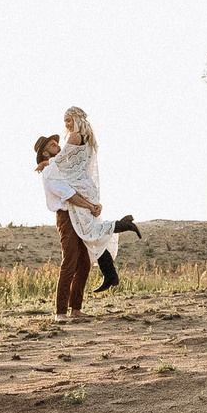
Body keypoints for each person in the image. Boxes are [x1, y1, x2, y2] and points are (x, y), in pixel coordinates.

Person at [36, 107, 141, 317]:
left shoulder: (65, 167)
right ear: (46, 153)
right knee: (70, 262)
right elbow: (70, 195)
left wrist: (92, 203)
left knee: (84, 262)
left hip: (80, 211)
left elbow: (78, 173)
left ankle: (76, 310)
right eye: (53, 145)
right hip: (66, 217)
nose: (59, 146)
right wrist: (90, 205)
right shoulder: (49, 171)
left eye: (58, 143)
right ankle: (60, 313)